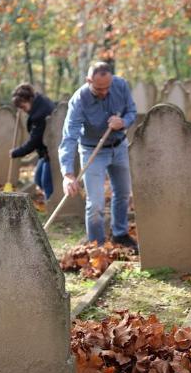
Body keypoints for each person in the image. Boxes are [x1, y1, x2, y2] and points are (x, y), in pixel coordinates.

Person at [59, 61, 138, 251]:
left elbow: (132, 111)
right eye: (99, 88)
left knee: (123, 193)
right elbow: (70, 137)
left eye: (107, 87)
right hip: (92, 150)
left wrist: (123, 121)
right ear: (88, 80)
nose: (104, 92)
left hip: (119, 146)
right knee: (95, 203)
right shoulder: (79, 100)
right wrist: (68, 175)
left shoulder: (120, 85)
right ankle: (97, 245)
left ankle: (120, 234)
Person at [10, 83, 56, 199]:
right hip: (44, 151)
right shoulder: (39, 102)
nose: (23, 111)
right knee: (38, 179)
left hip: (52, 150)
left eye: (23, 107)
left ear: (29, 99)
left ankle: (52, 209)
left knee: (46, 183)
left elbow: (34, 141)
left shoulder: (40, 114)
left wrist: (16, 152)